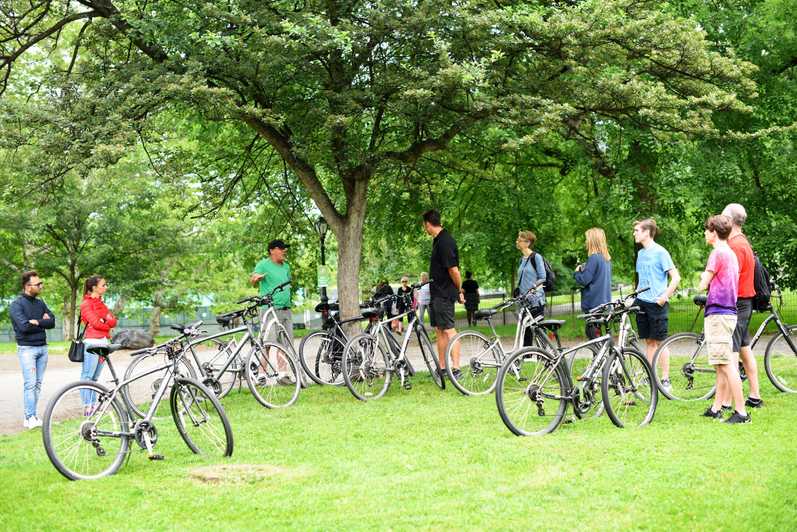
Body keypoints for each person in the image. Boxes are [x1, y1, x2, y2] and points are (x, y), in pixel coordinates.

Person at [699, 215, 749, 423]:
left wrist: (702, 279)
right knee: (720, 363)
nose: (704, 233)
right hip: (728, 312)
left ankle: (741, 412)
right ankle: (716, 407)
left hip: (719, 313)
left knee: (727, 363)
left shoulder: (717, 253)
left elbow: (703, 283)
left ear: (713, 232)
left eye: (706, 229)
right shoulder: (729, 253)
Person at [721, 203, 763, 409]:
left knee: (732, 354)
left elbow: (731, 278)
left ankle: (729, 403)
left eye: (722, 217)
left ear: (730, 220)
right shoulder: (742, 241)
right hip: (745, 302)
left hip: (737, 303)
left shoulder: (735, 246)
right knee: (745, 350)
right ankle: (755, 396)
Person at [633, 218, 681, 390]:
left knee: (661, 342)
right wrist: (634, 298)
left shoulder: (661, 252)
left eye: (637, 230)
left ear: (647, 232)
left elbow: (675, 278)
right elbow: (642, 279)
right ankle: (651, 376)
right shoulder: (640, 254)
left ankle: (665, 379)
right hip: (642, 303)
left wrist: (664, 297)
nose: (634, 234)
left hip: (657, 304)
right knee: (649, 342)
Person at [9, 271, 55, 429]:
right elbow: (24, 327)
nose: (41, 286)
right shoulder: (16, 305)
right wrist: (42, 322)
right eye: (38, 284)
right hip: (27, 349)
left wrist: (36, 321)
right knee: (30, 384)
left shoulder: (40, 303)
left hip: (43, 348)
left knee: (38, 384)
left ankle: (34, 415)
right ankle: (29, 418)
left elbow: (52, 322)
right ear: (28, 286)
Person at [423, 209, 464, 379]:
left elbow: (454, 270)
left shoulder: (445, 241)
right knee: (440, 330)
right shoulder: (438, 241)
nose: (424, 229)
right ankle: (443, 368)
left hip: (445, 294)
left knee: (449, 330)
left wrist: (459, 289)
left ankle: (456, 368)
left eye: (424, 226)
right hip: (437, 294)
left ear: (428, 224)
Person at [250, 239, 294, 384]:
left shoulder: (286, 266)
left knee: (285, 343)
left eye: (284, 249)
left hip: (286, 309)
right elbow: (253, 279)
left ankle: (283, 375)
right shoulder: (263, 264)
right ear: (272, 250)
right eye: (281, 249)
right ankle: (261, 375)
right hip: (270, 309)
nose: (284, 251)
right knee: (268, 343)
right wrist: (256, 278)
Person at [80, 275, 118, 416]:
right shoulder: (86, 304)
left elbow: (113, 321)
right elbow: (95, 323)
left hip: (103, 342)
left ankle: (94, 404)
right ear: (94, 287)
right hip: (92, 342)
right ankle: (87, 406)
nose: (106, 287)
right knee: (87, 376)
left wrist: (105, 321)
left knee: (95, 377)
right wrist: (105, 323)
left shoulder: (101, 303)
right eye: (103, 285)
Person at [574, 228, 613, 339]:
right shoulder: (606, 259)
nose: (586, 242)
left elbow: (584, 280)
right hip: (604, 303)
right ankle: (606, 356)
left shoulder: (594, 258)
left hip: (594, 305)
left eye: (587, 239)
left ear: (592, 241)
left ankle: (600, 356)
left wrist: (577, 272)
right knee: (600, 336)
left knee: (593, 336)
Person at [515, 230, 546, 345]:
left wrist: (533, 288)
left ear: (527, 243)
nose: (517, 241)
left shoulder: (536, 257)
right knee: (526, 330)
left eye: (519, 239)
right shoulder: (521, 260)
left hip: (536, 300)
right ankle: (526, 356)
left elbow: (543, 277)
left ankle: (544, 356)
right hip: (524, 301)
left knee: (539, 329)